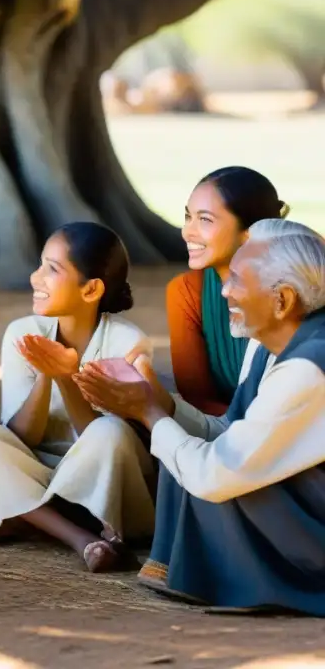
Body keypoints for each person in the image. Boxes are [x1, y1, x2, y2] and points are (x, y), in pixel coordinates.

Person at [76, 219, 325, 614]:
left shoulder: (309, 368)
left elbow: (216, 473)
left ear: (283, 301)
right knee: (191, 449)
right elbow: (228, 432)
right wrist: (158, 402)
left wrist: (148, 411)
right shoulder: (269, 343)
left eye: (239, 281)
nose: (225, 290)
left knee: (207, 468)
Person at [0, 223, 155, 572]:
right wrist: (46, 372)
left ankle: (31, 516)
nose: (35, 278)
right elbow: (23, 436)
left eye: (52, 270)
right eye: (40, 265)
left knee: (111, 432)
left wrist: (67, 378)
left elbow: (104, 440)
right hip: (38, 471)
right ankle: (80, 539)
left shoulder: (126, 343)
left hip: (103, 484)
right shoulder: (23, 333)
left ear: (90, 289)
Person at [168, 167, 286, 415]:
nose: (187, 232)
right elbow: (196, 398)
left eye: (205, 219)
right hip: (228, 434)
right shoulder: (186, 292)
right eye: (188, 217)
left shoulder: (298, 286)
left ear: (250, 233)